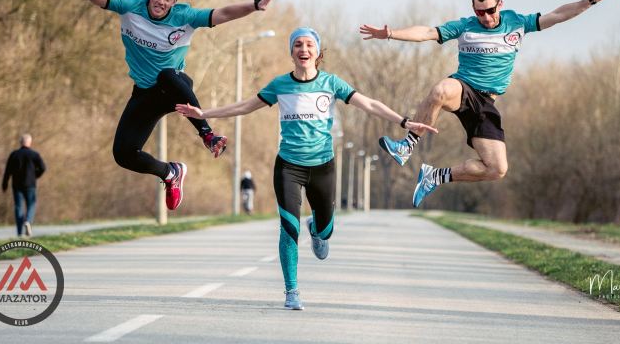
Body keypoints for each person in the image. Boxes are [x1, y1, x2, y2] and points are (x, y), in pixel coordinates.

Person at [176, 27, 438, 310]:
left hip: (322, 166)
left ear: (317, 52)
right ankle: (291, 291)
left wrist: (405, 122)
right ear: (292, 53)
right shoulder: (280, 85)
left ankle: (317, 228)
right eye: (298, 45)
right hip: (288, 166)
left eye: (309, 45)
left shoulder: (331, 83)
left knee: (326, 231)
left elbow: (370, 104)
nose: (303, 49)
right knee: (288, 228)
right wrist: (205, 114)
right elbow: (245, 106)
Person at [359, 0, 613, 208]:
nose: (486, 17)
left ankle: (434, 176)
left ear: (500, 4)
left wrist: (590, 0)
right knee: (440, 90)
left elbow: (557, 15)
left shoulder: (517, 23)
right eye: (480, 12)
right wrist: (390, 33)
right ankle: (408, 145)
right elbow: (427, 32)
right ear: (474, 10)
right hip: (464, 88)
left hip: (486, 103)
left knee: (496, 169)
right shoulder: (466, 26)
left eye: (490, 11)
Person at [83, 0, 281, 211]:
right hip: (144, 94)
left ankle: (207, 134)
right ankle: (170, 173)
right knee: (123, 154)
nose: (161, 2)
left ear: (174, 2)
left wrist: (256, 5)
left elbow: (224, 13)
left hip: (174, 88)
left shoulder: (184, 16)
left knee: (166, 74)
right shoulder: (131, 5)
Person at [2, 134, 46, 237]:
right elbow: (43, 167)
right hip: (30, 184)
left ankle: (19, 232)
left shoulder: (14, 154)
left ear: (20, 142)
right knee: (31, 204)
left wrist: (4, 184)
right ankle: (28, 221)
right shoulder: (34, 154)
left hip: (17, 184)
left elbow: (7, 171)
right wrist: (36, 175)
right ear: (30, 142)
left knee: (18, 207)